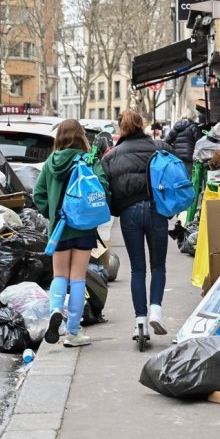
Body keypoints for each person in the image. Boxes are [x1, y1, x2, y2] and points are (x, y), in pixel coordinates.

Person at [33, 119, 110, 347]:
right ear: (81, 136)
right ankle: (73, 333)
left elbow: (38, 194)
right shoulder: (88, 160)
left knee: (59, 276)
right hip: (84, 226)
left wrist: (53, 213)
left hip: (59, 228)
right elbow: (103, 187)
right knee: (78, 278)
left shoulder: (50, 163)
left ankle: (56, 310)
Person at [101, 110, 173, 339]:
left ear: (121, 128)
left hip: (129, 213)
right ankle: (156, 311)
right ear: (142, 125)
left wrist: (117, 209)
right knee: (158, 266)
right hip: (156, 211)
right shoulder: (160, 147)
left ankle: (140, 321)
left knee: (137, 268)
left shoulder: (111, 156)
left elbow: (105, 188)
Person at [165, 111, 202, 175]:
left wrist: (173, 148)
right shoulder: (193, 126)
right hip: (189, 157)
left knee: (179, 177)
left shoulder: (176, 126)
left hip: (177, 156)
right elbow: (199, 142)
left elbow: (167, 141)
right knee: (188, 177)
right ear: (193, 117)